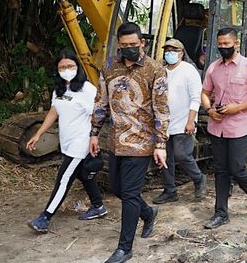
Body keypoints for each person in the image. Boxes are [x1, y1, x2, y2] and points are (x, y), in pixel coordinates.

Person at [90, 22, 169, 263]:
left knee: (131, 194)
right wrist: (94, 132)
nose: (129, 49)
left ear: (142, 43)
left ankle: (125, 248)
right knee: (117, 189)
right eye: (124, 46)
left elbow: (162, 110)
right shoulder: (109, 67)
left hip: (142, 142)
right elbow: (101, 101)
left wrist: (161, 144)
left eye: (133, 45)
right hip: (115, 141)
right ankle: (148, 213)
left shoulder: (155, 69)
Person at [26, 50, 107, 233]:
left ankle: (45, 217)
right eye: (62, 67)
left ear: (77, 67)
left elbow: (98, 115)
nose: (66, 69)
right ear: (57, 70)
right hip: (67, 142)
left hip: (81, 143)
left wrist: (95, 138)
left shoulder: (87, 89)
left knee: (63, 179)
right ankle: (98, 206)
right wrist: (38, 133)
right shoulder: (59, 90)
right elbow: (54, 112)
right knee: (83, 175)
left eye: (70, 66)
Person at [201, 27, 247, 229]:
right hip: (217, 126)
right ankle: (221, 213)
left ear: (235, 44)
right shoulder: (213, 68)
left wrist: (238, 107)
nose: (222, 47)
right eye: (219, 44)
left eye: (226, 44)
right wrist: (208, 109)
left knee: (237, 167)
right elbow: (204, 92)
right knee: (220, 170)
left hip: (240, 126)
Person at [153, 39, 206, 204]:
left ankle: (198, 178)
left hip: (184, 121)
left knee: (182, 154)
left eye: (173, 50)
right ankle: (170, 190)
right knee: (165, 158)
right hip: (164, 123)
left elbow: (195, 98)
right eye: (167, 50)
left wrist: (191, 121)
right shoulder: (161, 71)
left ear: (181, 53)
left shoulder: (189, 71)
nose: (169, 53)